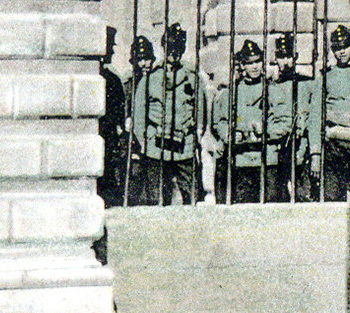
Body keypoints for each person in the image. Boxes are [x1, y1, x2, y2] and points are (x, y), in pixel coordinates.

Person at [130, 23, 207, 206]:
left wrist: (196, 134)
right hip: (156, 148)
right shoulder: (150, 79)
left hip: (184, 147)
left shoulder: (192, 78)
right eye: (170, 48)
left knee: (192, 198)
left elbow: (200, 112)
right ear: (164, 48)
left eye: (178, 48)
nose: (174, 52)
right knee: (157, 200)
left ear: (183, 49)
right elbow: (139, 115)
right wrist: (145, 141)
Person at [212, 40, 291, 203]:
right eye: (249, 63)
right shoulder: (230, 93)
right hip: (240, 160)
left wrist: (266, 130)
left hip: (267, 160)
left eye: (258, 61)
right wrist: (229, 134)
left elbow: (285, 123)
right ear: (242, 65)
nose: (255, 67)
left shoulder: (274, 91)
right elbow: (219, 122)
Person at [308, 24, 350, 199]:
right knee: (332, 197)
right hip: (333, 147)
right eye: (337, 48)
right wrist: (315, 154)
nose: (342, 52)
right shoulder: (325, 77)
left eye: (346, 46)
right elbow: (315, 118)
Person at [269, 32, 313, 200]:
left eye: (289, 56)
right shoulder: (270, 86)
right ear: (275, 58)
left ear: (296, 57)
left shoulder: (306, 83)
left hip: (302, 148)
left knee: (303, 195)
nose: (285, 61)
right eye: (281, 57)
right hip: (278, 148)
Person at [122, 35, 156, 206]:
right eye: (140, 59)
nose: (144, 63)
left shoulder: (157, 81)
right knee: (134, 179)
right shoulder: (128, 83)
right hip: (133, 139)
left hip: (154, 137)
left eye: (147, 59)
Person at [98, 26, 127, 208]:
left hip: (108, 139)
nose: (113, 51)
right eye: (110, 47)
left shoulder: (113, 79)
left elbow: (120, 112)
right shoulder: (109, 79)